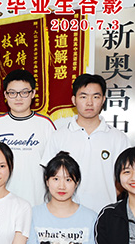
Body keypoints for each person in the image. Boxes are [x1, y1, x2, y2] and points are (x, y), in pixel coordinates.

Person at [41, 73, 130, 213]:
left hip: (105, 213)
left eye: (96, 97)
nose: (89, 102)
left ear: (103, 100)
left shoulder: (118, 138)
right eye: (83, 97)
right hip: (66, 213)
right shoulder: (59, 136)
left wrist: (110, 193)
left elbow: (126, 176)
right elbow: (49, 174)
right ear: (74, 100)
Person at [0, 69, 56, 206]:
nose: (18, 98)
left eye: (24, 92)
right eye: (12, 93)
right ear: (5, 95)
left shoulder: (45, 125)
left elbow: (54, 168)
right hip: (1, 202)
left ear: (33, 94)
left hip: (37, 202)